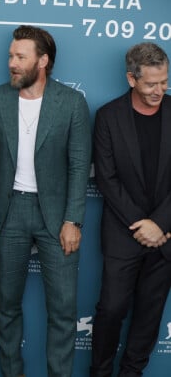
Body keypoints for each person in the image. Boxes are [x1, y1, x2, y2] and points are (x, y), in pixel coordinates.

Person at [0, 25, 92, 377]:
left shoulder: (71, 102)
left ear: (42, 61)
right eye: (11, 56)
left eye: (20, 57)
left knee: (63, 307)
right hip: (8, 213)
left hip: (56, 216)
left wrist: (73, 220)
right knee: (7, 306)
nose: (11, 62)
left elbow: (78, 165)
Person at [90, 42, 171, 377]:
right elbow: (106, 179)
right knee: (111, 309)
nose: (159, 90)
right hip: (124, 233)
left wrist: (161, 223)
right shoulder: (108, 116)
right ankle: (100, 372)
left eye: (164, 82)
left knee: (149, 316)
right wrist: (143, 224)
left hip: (166, 235)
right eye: (151, 83)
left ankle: (131, 373)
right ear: (131, 79)